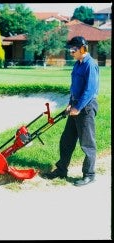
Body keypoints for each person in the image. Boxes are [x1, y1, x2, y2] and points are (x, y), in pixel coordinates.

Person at [43, 36, 99, 186]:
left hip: (85, 108)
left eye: (73, 49)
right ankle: (61, 170)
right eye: (70, 49)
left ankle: (89, 174)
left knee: (87, 143)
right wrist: (70, 104)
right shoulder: (77, 65)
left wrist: (78, 107)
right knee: (66, 140)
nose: (71, 52)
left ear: (82, 48)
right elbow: (75, 87)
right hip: (75, 106)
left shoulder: (90, 65)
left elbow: (90, 90)